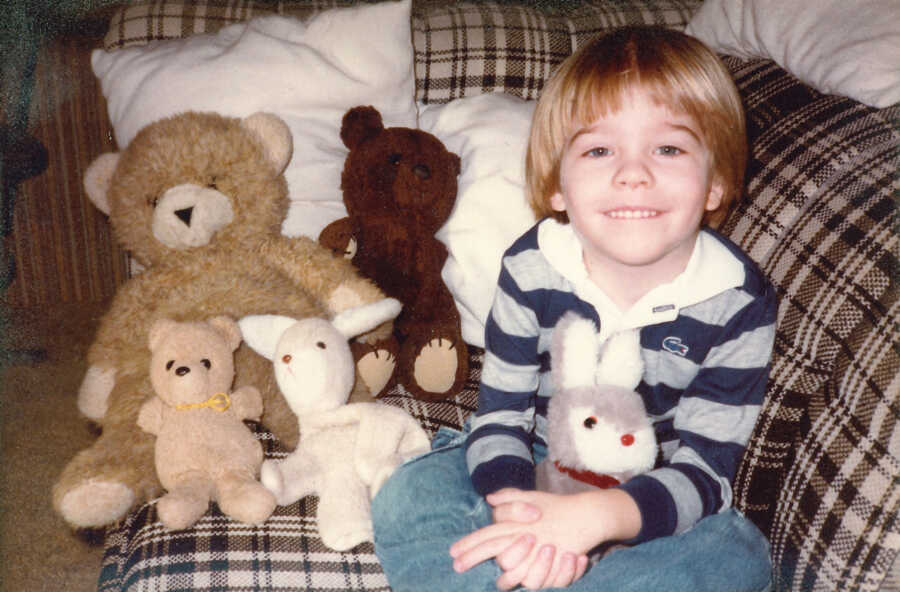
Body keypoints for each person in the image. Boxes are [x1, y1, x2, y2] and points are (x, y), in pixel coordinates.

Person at [371, 25, 778, 592]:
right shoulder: (531, 265)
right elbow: (502, 415)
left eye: (668, 148)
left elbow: (706, 468)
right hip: (533, 454)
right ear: (557, 186)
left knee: (735, 560)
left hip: (653, 489)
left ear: (714, 183)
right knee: (411, 495)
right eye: (599, 149)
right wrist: (524, 513)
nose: (632, 173)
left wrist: (598, 519)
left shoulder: (738, 300)